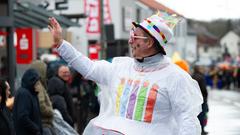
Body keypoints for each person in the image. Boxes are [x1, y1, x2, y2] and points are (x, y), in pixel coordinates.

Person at [48, 12, 203, 135]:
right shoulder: (121, 66)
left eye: (134, 36)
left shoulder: (175, 77)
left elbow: (187, 119)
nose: (130, 41)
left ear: (149, 43)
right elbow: (89, 68)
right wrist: (61, 44)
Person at [13, 69, 43, 135]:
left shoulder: (32, 93)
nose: (39, 85)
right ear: (31, 82)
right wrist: (36, 129)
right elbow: (23, 117)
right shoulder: (24, 94)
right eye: (37, 82)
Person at [30, 60, 55, 135]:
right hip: (44, 124)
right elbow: (41, 105)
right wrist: (51, 111)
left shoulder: (35, 84)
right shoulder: (38, 85)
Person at [192, 66, 209, 135]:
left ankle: (196, 130)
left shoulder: (191, 76)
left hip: (194, 99)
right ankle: (202, 130)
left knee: (196, 115)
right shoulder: (201, 77)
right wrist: (205, 97)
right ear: (199, 69)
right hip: (201, 99)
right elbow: (204, 89)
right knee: (202, 115)